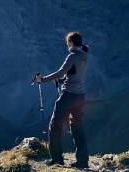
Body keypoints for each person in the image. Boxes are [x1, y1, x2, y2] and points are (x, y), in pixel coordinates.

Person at [34, 32, 89, 168]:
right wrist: (63, 79)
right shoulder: (84, 55)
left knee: (55, 126)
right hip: (80, 96)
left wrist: (43, 79)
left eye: (67, 43)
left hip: (68, 96)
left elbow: (60, 72)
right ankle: (83, 161)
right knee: (77, 127)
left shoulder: (72, 56)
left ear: (70, 43)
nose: (67, 45)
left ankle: (57, 159)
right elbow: (74, 74)